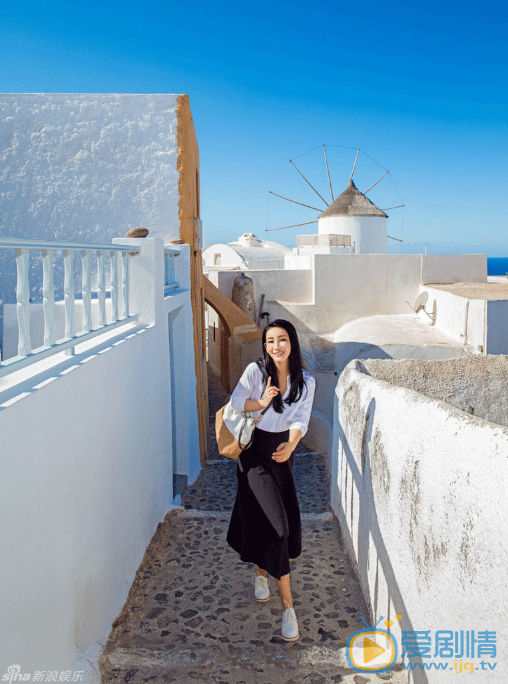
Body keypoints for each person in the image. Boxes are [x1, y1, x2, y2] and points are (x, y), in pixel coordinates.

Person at [226, 319, 316, 642]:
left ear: (291, 342)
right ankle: (288, 608)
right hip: (253, 454)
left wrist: (292, 445)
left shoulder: (305, 381)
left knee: (273, 517)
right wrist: (262, 403)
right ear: (265, 346)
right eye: (269, 341)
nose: (275, 346)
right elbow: (237, 402)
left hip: (282, 453)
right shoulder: (256, 372)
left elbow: (300, 419)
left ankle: (261, 574)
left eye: (281, 340)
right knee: (278, 527)